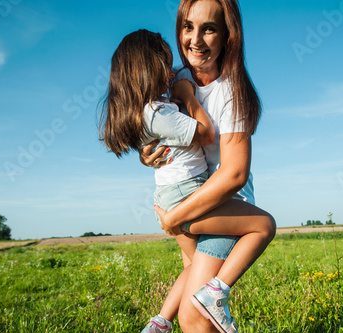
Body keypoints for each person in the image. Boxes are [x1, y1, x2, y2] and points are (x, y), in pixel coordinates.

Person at [98, 28, 275, 333]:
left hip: (172, 194)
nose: (171, 71)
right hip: (190, 192)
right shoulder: (161, 107)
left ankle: (160, 321)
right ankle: (217, 292)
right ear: (148, 69)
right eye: (165, 64)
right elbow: (205, 133)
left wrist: (145, 155)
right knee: (264, 225)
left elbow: (158, 145)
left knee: (195, 272)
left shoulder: (146, 110)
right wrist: (187, 95)